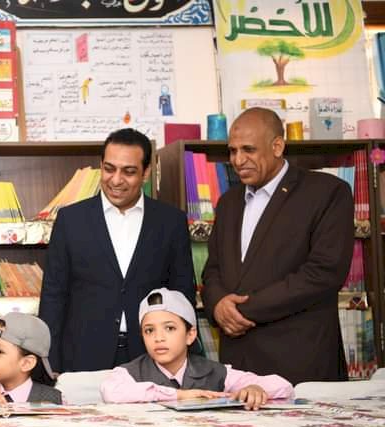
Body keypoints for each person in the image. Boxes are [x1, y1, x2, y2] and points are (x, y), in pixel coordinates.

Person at [202, 107, 354, 385]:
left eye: (248, 149)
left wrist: (241, 311)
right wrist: (218, 306)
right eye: (232, 151)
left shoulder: (327, 192)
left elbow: (324, 273)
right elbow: (212, 270)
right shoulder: (228, 203)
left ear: (277, 146)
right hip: (237, 367)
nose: (238, 160)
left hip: (300, 366)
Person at [39, 128, 195, 373]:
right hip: (82, 356)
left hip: (151, 357)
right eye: (109, 169)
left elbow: (182, 293)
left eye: (128, 172)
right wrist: (49, 363)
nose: (116, 180)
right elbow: (53, 296)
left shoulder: (170, 222)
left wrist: (182, 363)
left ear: (146, 172)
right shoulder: (71, 220)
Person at [100, 288, 293, 410]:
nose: (159, 338)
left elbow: (284, 386)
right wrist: (179, 395)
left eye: (170, 328)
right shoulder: (130, 373)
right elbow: (110, 391)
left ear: (190, 334)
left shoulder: (214, 372)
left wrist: (255, 389)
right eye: (149, 330)